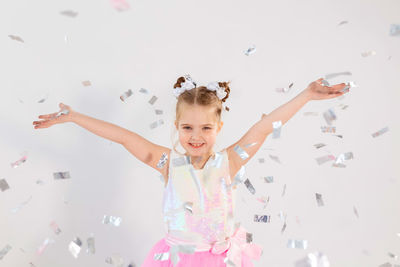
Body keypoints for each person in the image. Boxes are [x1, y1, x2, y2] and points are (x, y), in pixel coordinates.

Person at [33, 75, 349, 266]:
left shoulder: (231, 161)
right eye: (187, 127)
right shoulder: (168, 162)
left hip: (220, 261)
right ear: (176, 127)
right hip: (174, 260)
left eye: (205, 128)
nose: (195, 136)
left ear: (219, 127)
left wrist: (306, 95)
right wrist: (74, 117)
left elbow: (265, 126)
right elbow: (122, 136)